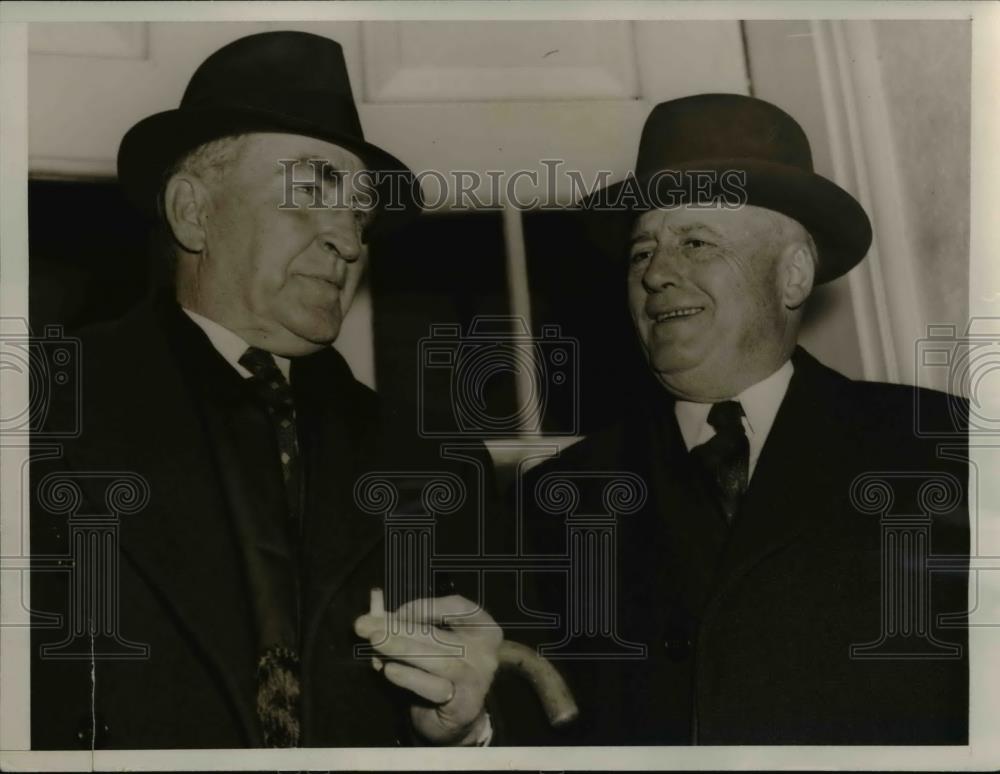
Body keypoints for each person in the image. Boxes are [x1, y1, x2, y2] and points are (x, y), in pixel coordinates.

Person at [30, 31, 501, 749]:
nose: (349, 240)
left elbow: (512, 699)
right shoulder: (39, 413)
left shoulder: (440, 462)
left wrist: (464, 732)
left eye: (360, 213)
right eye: (310, 192)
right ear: (192, 212)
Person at [516, 94, 969, 745]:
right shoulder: (558, 496)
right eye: (640, 253)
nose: (656, 275)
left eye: (695, 243)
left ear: (793, 275)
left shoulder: (941, 445)